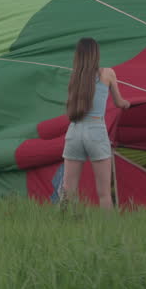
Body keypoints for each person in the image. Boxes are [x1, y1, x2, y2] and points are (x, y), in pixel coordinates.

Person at [59, 37, 130, 209]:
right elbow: (119, 103)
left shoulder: (75, 76)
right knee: (104, 193)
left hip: (74, 131)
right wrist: (127, 104)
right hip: (96, 131)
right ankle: (109, 231)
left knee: (68, 191)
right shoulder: (108, 73)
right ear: (96, 54)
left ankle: (63, 227)